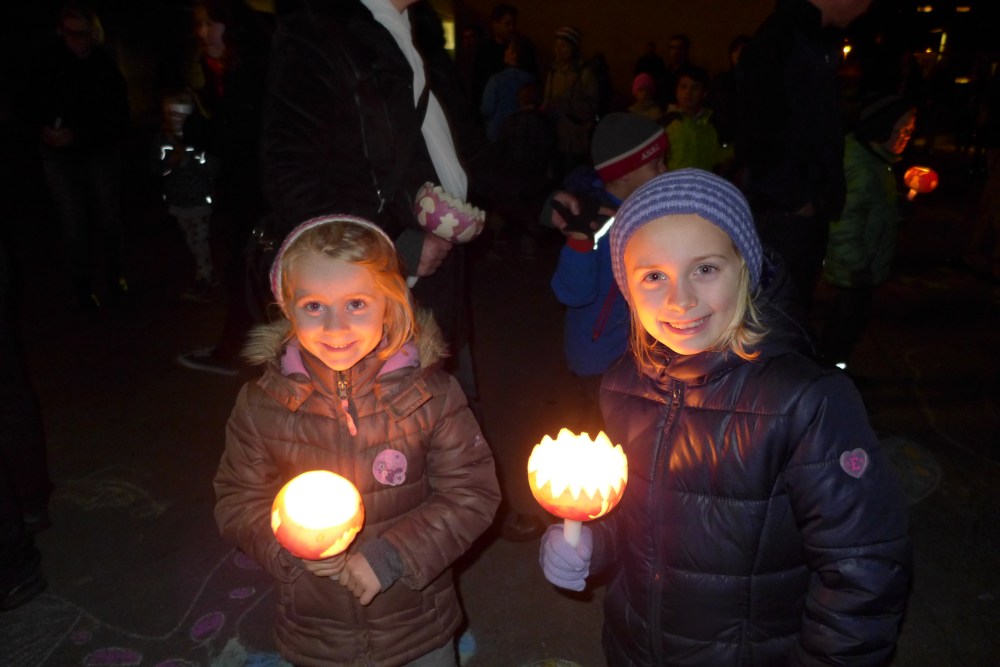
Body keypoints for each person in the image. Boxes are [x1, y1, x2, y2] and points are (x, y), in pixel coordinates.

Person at [539, 169, 912, 666]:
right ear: (627, 288)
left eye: (706, 269)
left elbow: (862, 569)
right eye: (654, 276)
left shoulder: (807, 402)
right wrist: (590, 539)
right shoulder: (623, 385)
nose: (681, 300)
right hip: (636, 648)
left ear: (745, 268)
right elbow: (633, 515)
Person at [259, 0, 538, 542]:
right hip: (380, 274)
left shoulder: (422, 33)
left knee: (450, 395)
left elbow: (466, 148)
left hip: (441, 256)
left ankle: (461, 511)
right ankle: (397, 546)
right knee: (386, 422)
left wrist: (543, 199)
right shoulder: (319, 29)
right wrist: (392, 248)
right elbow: (293, 174)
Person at [214, 215, 500, 666]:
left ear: (389, 303)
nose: (335, 327)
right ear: (287, 308)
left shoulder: (431, 396)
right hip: (317, 632)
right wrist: (290, 552)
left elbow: (473, 493)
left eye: (357, 304)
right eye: (313, 307)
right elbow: (236, 498)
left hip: (416, 625)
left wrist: (392, 557)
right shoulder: (260, 405)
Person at [735, 0, 874, 314]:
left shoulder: (810, 39)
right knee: (778, 312)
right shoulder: (783, 38)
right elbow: (755, 126)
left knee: (790, 308)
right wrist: (794, 197)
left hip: (798, 208)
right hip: (785, 214)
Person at [545, 113, 667, 434]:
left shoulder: (647, 214)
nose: (664, 171)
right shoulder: (595, 221)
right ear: (624, 174)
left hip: (635, 354)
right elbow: (571, 292)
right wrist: (580, 241)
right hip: (596, 358)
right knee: (595, 440)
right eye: (656, 164)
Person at [175, 0, 272, 375]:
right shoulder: (241, 71)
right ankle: (243, 350)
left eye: (208, 24)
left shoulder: (252, 75)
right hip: (254, 195)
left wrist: (189, 126)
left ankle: (242, 354)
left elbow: (232, 136)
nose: (201, 33)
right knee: (250, 269)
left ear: (230, 28)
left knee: (250, 270)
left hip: (260, 197)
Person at [24, 2, 130, 312]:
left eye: (83, 34)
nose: (77, 41)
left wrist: (79, 134)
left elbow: (116, 115)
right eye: (71, 34)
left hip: (98, 150)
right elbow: (29, 104)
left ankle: (115, 276)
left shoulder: (104, 63)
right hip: (58, 154)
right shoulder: (47, 62)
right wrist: (42, 130)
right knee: (73, 222)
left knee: (109, 217)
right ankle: (82, 287)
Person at [821, 96, 917, 373]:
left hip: (863, 265)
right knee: (845, 324)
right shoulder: (864, 169)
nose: (906, 137)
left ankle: (836, 371)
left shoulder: (877, 162)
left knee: (850, 323)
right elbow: (845, 225)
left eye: (911, 131)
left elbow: (874, 212)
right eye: (902, 130)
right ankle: (832, 375)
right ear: (882, 128)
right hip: (855, 269)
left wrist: (899, 210)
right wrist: (855, 266)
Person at [153, 88, 218, 303]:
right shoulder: (164, 138)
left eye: (182, 115)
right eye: (172, 114)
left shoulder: (200, 138)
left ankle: (204, 279)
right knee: (192, 240)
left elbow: (213, 168)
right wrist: (169, 163)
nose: (177, 120)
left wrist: (189, 158)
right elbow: (156, 168)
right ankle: (205, 274)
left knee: (200, 240)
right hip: (178, 201)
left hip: (199, 200)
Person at [542, 26, 598, 182]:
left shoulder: (584, 73)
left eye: (563, 46)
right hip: (555, 135)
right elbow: (547, 98)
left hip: (574, 138)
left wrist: (568, 106)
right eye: (556, 46)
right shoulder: (553, 71)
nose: (558, 50)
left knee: (572, 178)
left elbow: (592, 106)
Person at [662, 64, 731, 172]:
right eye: (683, 87)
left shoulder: (711, 123)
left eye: (694, 88)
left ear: (704, 94)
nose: (688, 92)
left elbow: (716, 155)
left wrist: (735, 150)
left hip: (704, 185)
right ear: (676, 91)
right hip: (675, 186)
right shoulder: (666, 123)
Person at [470, 4, 537, 114]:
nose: (511, 28)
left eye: (513, 24)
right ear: (495, 24)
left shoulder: (522, 47)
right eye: (507, 24)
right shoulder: (484, 50)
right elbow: (477, 82)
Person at [480, 36, 536, 142]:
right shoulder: (531, 80)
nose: (505, 52)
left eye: (508, 49)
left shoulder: (497, 80)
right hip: (524, 135)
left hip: (498, 133)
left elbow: (487, 108)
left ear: (514, 55)